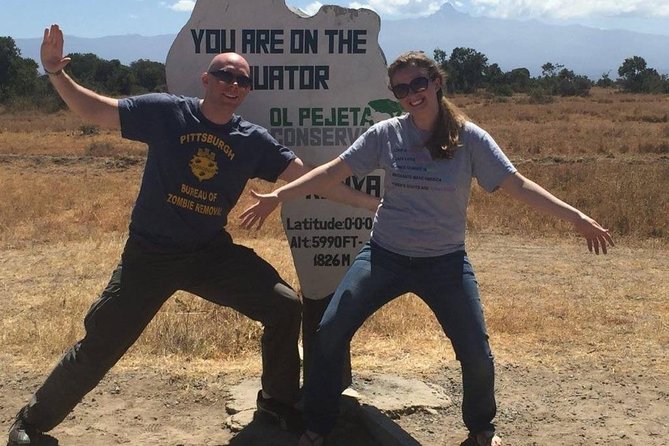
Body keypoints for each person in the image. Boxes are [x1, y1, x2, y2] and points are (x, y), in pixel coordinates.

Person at [6, 24, 378, 446]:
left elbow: (313, 179)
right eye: (225, 75)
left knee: (284, 306)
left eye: (242, 80)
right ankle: (31, 423)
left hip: (208, 254)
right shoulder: (167, 113)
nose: (233, 84)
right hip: (151, 255)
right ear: (206, 79)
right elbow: (97, 110)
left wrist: (370, 204)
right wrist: (56, 73)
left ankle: (277, 399)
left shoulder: (251, 140)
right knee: (105, 340)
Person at [239, 51, 614, 446]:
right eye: (402, 89)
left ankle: (482, 428)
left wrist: (577, 219)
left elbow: (516, 184)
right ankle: (317, 425)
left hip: (445, 264)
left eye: (418, 83)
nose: (411, 94)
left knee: (475, 352)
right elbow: (334, 171)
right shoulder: (387, 134)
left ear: (436, 82)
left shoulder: (469, 138)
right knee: (330, 331)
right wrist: (279, 195)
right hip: (384, 256)